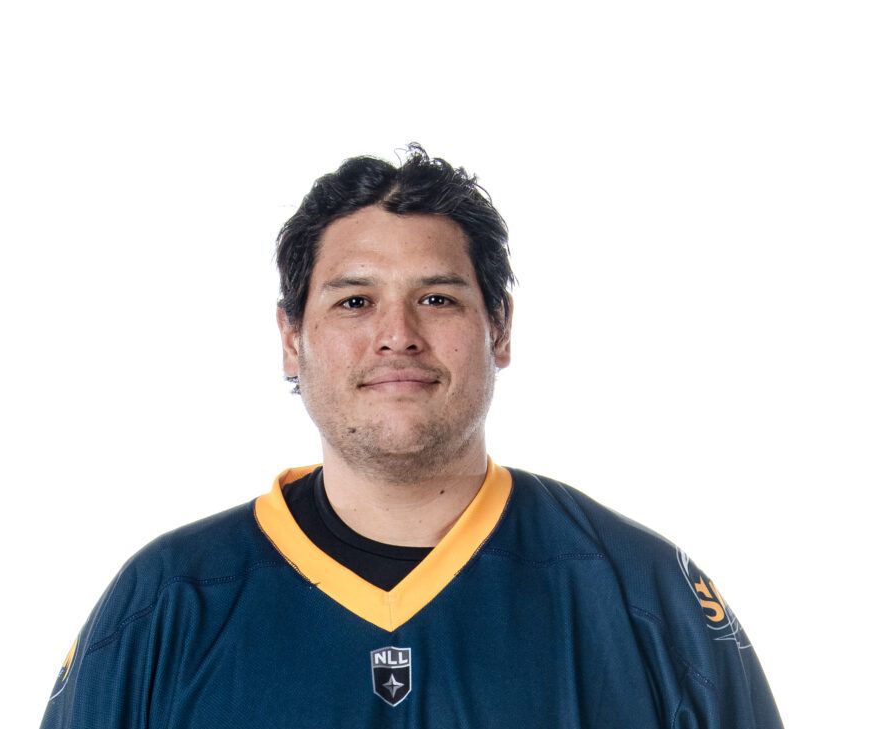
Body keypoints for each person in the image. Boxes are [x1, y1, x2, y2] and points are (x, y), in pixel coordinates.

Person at [39, 144, 783, 728]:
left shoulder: (642, 596)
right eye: (355, 301)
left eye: (436, 298)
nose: (397, 334)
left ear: (500, 328)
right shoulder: (166, 604)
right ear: (292, 339)